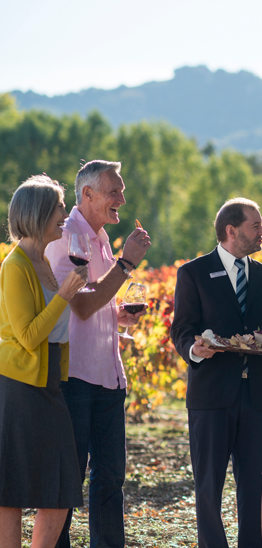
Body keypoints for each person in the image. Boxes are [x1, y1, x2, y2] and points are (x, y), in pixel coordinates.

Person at [170, 198, 262, 548]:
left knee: (256, 486)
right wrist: (194, 350)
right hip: (211, 395)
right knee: (208, 487)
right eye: (256, 225)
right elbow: (182, 329)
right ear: (232, 230)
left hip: (256, 398)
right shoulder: (193, 273)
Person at [46, 160, 151, 548]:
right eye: (114, 191)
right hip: (74, 377)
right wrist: (127, 263)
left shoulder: (101, 237)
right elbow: (81, 305)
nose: (122, 198)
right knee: (68, 480)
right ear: (87, 194)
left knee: (110, 479)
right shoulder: (65, 236)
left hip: (108, 376)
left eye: (122, 190)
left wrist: (117, 314)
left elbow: (97, 303)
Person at [0, 176, 88, 548]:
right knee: (12, 488)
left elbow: (56, 330)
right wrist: (64, 295)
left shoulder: (43, 261)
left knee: (61, 486)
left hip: (49, 379)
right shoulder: (15, 265)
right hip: (20, 384)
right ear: (38, 213)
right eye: (60, 207)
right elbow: (28, 336)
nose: (66, 215)